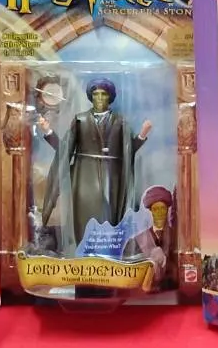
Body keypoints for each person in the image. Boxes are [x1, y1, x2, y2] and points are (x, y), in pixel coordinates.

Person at [43, 78, 151, 241]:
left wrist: (142, 134)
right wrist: (48, 132)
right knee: (85, 214)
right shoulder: (80, 120)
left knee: (110, 214)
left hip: (112, 176)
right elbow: (65, 149)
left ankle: (109, 248)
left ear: (110, 97)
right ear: (91, 96)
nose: (99, 98)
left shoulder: (120, 121)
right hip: (85, 176)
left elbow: (129, 150)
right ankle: (84, 248)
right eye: (96, 94)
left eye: (104, 94)